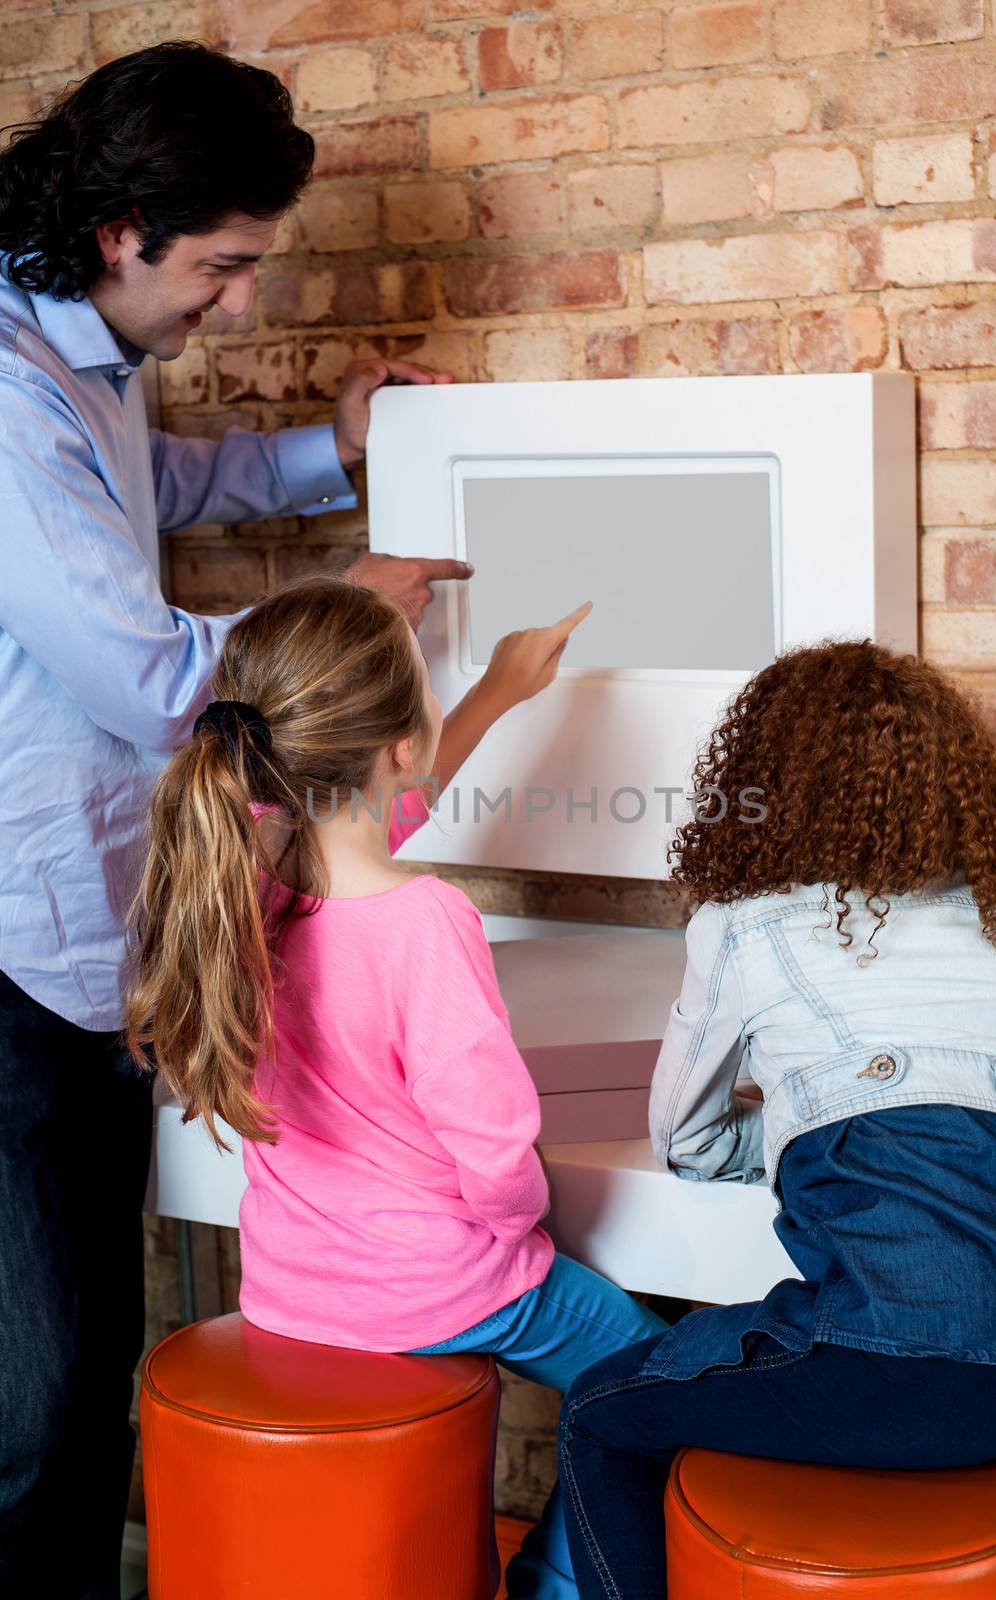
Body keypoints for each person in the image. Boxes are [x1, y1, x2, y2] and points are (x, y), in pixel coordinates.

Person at [0, 43, 469, 1599]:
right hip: (14, 952)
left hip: (92, 937)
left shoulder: (89, 373)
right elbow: (147, 674)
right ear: (124, 229)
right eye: (226, 266)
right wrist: (342, 609)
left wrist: (319, 458)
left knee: (82, 1371)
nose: (245, 306)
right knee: (35, 1400)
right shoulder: (6, 392)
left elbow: (172, 490)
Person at [123, 574, 667, 1599]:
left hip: (294, 1285)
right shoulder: (428, 923)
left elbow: (376, 821)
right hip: (443, 1288)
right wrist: (518, 1235)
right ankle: (549, 1582)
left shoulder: (253, 894)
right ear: (403, 746)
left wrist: (503, 686)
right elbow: (500, 1158)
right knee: (653, 1388)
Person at [556, 638, 996, 1600]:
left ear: (763, 777)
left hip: (904, 1366)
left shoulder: (742, 924)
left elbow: (688, 1138)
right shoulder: (994, 921)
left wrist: (785, 1130)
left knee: (597, 1413)